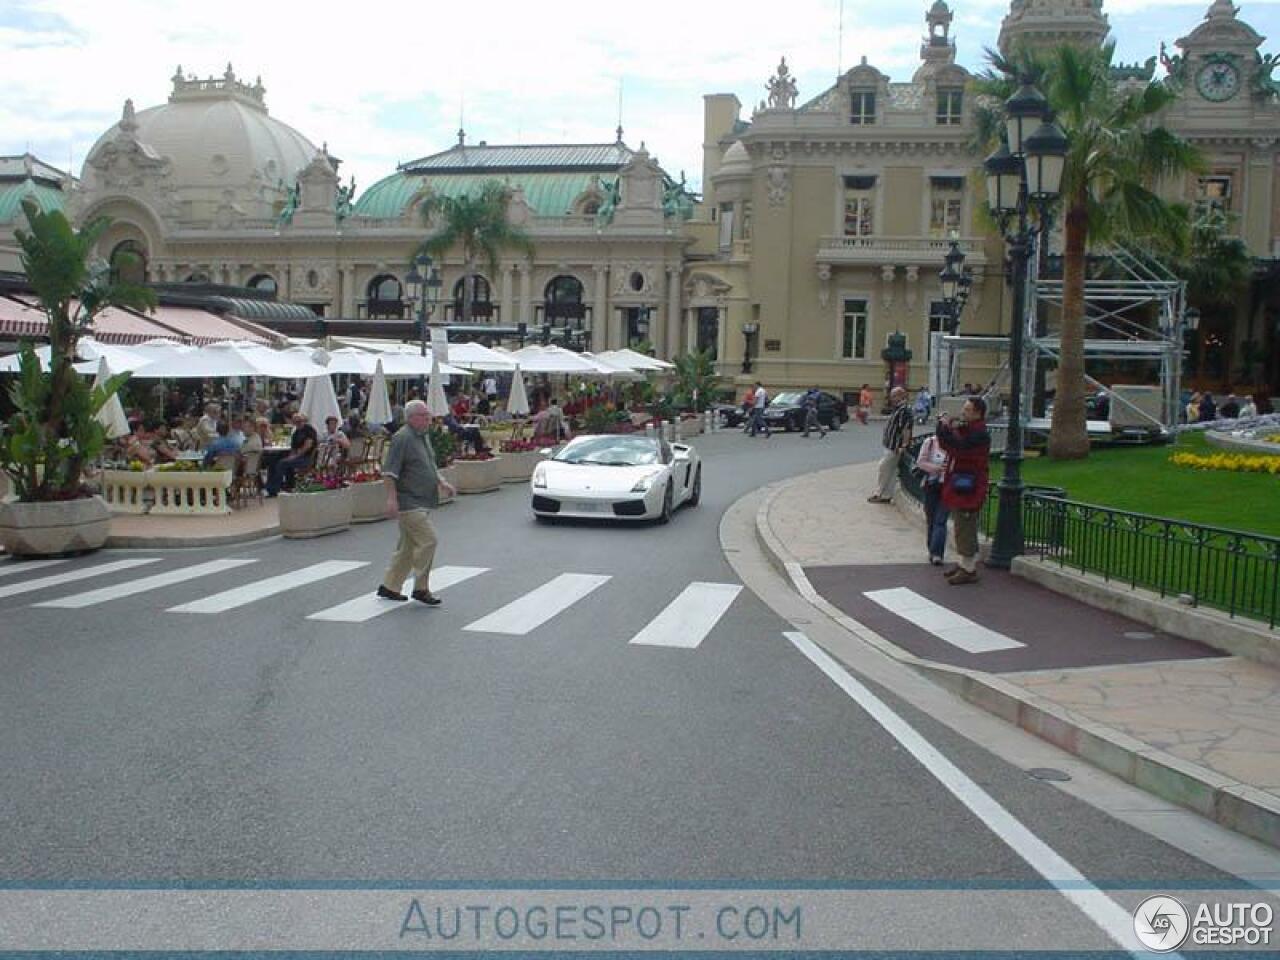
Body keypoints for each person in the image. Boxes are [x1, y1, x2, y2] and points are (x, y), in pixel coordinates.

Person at [376, 399, 457, 605]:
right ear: (411, 418)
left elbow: (429, 465)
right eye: (424, 416)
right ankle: (421, 587)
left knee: (408, 547)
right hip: (408, 502)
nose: (428, 419)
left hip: (422, 499)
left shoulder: (422, 436)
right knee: (429, 540)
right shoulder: (402, 438)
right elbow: (389, 472)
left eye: (428, 415)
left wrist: (442, 482)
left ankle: (389, 586)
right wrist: (391, 499)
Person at [936, 396, 991, 585]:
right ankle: (963, 564)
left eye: (967, 410)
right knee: (960, 527)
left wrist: (944, 428)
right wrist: (945, 427)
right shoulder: (970, 430)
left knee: (965, 526)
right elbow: (950, 443)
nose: (963, 413)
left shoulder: (979, 434)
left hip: (969, 486)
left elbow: (958, 447)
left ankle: (968, 569)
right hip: (961, 484)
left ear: (977, 413)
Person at [868, 386, 912, 503]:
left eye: (894, 396)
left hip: (895, 446)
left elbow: (906, 429)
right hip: (890, 444)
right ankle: (886, 495)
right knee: (890, 471)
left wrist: (904, 444)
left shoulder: (904, 410)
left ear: (901, 396)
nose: (891, 398)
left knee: (883, 467)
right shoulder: (898, 408)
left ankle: (880, 493)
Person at [915, 428, 949, 566]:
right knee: (931, 519)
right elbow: (920, 462)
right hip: (931, 485)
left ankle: (937, 553)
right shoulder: (930, 443)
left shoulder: (955, 446)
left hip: (947, 487)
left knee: (940, 521)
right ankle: (932, 549)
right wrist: (937, 468)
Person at [266, 414, 318, 496]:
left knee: (282, 463)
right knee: (275, 461)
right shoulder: (296, 433)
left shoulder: (309, 430)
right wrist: (291, 457)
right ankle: (283, 486)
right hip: (299, 458)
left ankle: (274, 489)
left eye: (300, 421)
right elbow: (293, 449)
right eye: (296, 422)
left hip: (308, 459)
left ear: (304, 421)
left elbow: (308, 445)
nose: (298, 423)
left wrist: (295, 456)